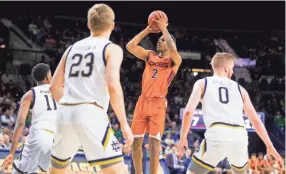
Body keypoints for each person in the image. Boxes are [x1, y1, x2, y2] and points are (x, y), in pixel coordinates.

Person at [49, 3, 133, 174]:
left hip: (65, 112)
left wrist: (72, 107)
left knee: (57, 170)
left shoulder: (71, 49)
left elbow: (54, 86)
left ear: (89, 24)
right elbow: (112, 84)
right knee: (118, 171)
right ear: (112, 26)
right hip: (90, 112)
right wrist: (124, 125)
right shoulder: (112, 49)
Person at [178, 52, 283, 174]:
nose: (232, 72)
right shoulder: (240, 89)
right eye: (232, 68)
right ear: (227, 68)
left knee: (192, 172)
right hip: (240, 135)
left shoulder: (203, 83)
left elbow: (188, 111)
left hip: (217, 133)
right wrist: (269, 145)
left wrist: (183, 138)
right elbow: (256, 120)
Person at [126, 11, 182, 174]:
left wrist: (164, 29)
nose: (160, 41)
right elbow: (130, 46)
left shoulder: (174, 61)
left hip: (158, 103)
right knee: (136, 142)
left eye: (163, 40)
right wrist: (148, 30)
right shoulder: (149, 56)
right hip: (142, 102)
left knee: (154, 143)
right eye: (159, 39)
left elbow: (173, 48)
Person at [2, 63, 57, 173]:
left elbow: (20, 123)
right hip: (57, 140)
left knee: (20, 171)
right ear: (47, 76)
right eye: (51, 74)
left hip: (39, 135)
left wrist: (12, 152)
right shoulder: (60, 91)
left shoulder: (30, 95)